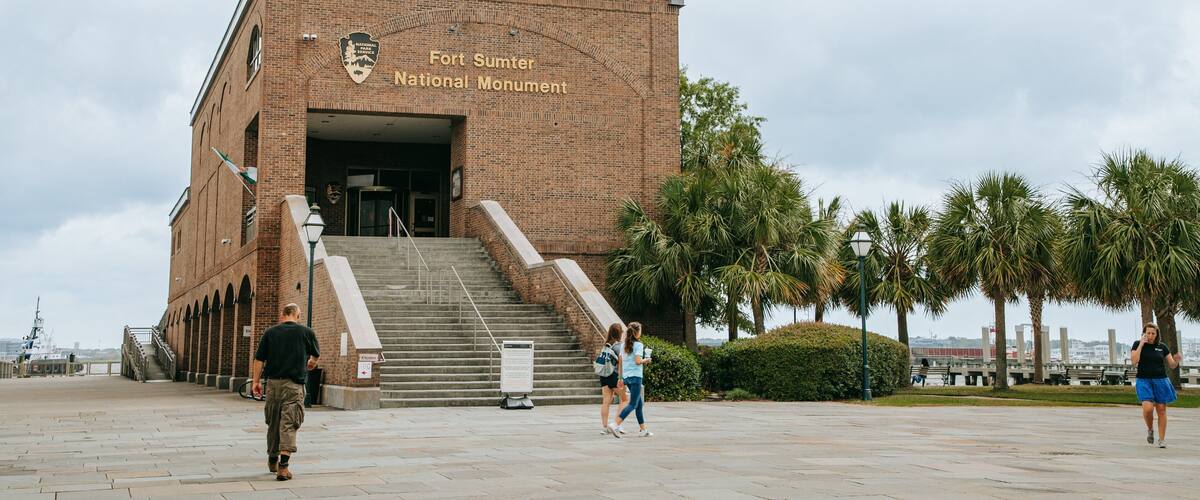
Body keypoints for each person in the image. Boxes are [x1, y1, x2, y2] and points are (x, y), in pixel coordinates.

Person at [252, 303, 320, 480]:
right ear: (298, 315)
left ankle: (272, 458)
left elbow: (259, 359)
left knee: (273, 421)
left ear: (282, 314)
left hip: (273, 384)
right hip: (294, 385)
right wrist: (311, 363)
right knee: (289, 423)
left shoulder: (270, 332)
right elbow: (315, 356)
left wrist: (256, 382)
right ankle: (283, 467)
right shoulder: (307, 332)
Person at [1131, 323, 1181, 448]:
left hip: (1161, 380)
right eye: (1148, 333)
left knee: (1161, 410)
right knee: (1148, 408)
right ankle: (1150, 429)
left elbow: (1172, 365)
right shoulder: (1137, 344)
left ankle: (1162, 439)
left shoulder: (1162, 347)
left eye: (1153, 333)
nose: (1150, 335)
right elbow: (1134, 361)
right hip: (1144, 380)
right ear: (1144, 333)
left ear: (1157, 334)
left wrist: (1176, 360)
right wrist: (1142, 344)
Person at [609, 322, 652, 438]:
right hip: (636, 377)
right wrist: (646, 360)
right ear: (637, 333)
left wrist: (620, 378)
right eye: (640, 331)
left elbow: (620, 361)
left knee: (639, 404)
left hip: (627, 377)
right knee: (632, 404)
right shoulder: (638, 345)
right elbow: (638, 361)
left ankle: (643, 430)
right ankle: (615, 424)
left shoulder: (623, 345)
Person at [598, 323, 629, 435]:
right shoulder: (619, 346)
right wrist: (621, 378)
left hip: (603, 375)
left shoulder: (605, 345)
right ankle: (617, 425)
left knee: (606, 401)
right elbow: (621, 363)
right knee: (625, 400)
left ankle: (605, 427)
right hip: (615, 375)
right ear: (620, 333)